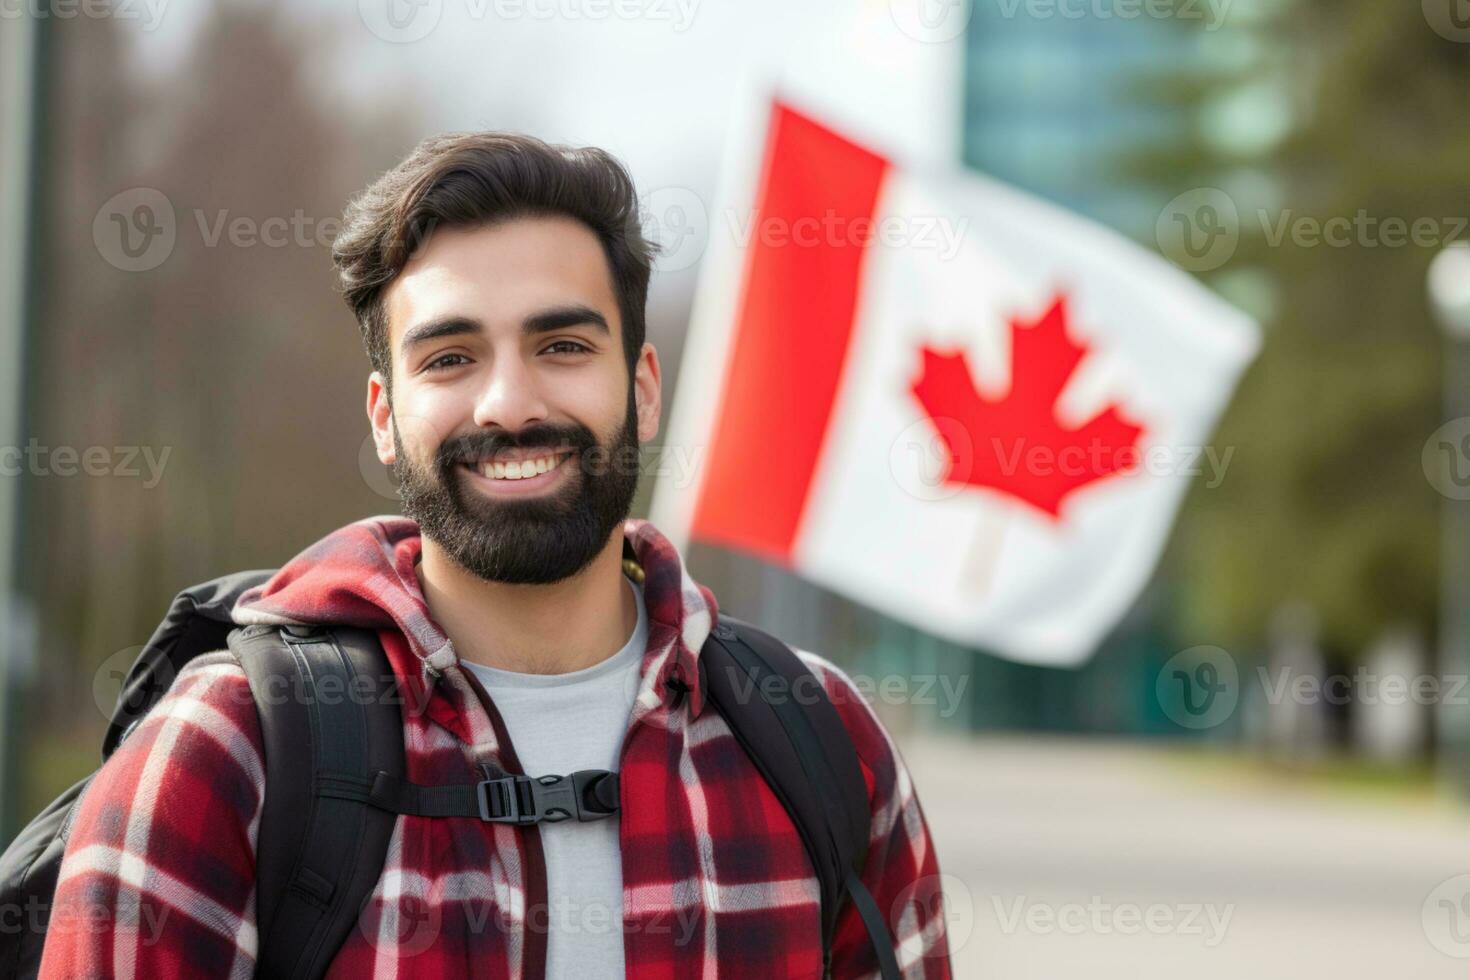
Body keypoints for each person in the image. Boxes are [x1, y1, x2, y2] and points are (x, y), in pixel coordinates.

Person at [38, 132, 952, 978]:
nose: (509, 404)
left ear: (641, 389)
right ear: (385, 418)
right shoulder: (224, 757)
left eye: (561, 345)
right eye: (449, 359)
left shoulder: (829, 746)